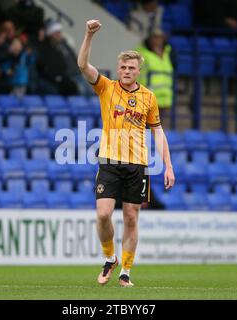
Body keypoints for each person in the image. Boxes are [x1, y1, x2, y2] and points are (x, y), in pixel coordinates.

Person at [77, 19, 175, 287]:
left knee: (131, 216)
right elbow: (82, 66)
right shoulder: (106, 87)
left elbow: (158, 132)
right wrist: (88, 35)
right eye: (123, 66)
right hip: (109, 160)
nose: (126, 71)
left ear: (138, 71)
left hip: (137, 164)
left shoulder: (148, 98)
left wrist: (168, 165)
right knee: (103, 214)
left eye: (131, 67)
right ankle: (110, 258)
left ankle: (126, 271)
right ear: (118, 68)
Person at [136, 29, 174, 128]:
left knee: (157, 130)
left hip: (163, 99)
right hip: (146, 98)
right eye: (155, 37)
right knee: (144, 130)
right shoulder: (141, 54)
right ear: (149, 39)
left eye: (160, 37)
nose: (158, 40)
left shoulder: (167, 54)